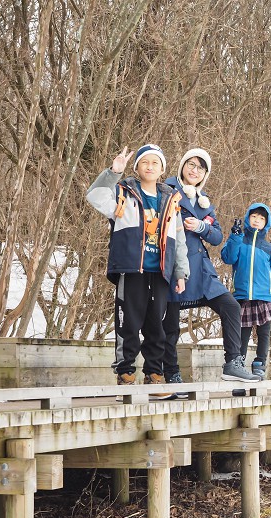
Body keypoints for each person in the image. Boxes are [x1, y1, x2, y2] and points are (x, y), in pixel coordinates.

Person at [86, 144, 189, 399]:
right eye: (145, 162)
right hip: (131, 268)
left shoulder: (171, 199)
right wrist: (113, 172)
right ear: (137, 167)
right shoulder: (124, 192)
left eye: (155, 163)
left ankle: (154, 374)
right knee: (128, 322)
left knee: (157, 324)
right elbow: (95, 196)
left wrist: (180, 272)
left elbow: (179, 238)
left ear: (163, 168)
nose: (150, 167)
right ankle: (125, 373)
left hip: (161, 271)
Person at [162, 149, 260, 382]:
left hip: (202, 268)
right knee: (171, 324)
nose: (195, 171)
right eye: (191, 165)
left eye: (201, 168)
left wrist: (200, 227)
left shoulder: (204, 201)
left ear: (205, 174)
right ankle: (171, 372)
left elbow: (216, 237)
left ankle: (233, 362)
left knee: (230, 306)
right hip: (174, 264)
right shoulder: (167, 190)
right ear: (183, 166)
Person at [221, 203, 271, 377]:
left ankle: (260, 363)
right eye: (254, 216)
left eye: (262, 218)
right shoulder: (239, 241)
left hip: (265, 295)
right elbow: (228, 258)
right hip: (242, 295)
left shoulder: (270, 249)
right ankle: (238, 364)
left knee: (264, 332)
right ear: (248, 218)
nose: (257, 220)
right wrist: (234, 237)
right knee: (243, 332)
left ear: (266, 223)